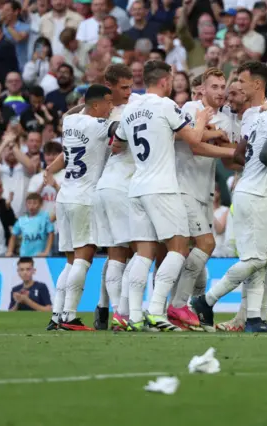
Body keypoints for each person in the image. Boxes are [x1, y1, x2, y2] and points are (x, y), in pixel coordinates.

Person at [191, 64, 267, 333]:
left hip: (259, 190)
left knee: (262, 258)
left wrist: (255, 165)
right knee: (262, 258)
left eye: (240, 81)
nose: (234, 88)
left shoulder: (257, 117)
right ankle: (210, 301)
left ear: (258, 86)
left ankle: (252, 318)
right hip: (261, 192)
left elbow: (240, 156)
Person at [113, 60, 211, 332]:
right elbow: (193, 140)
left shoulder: (131, 109)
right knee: (179, 248)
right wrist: (201, 120)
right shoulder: (167, 105)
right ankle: (156, 310)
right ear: (166, 81)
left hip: (137, 188)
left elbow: (117, 145)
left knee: (143, 255)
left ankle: (132, 316)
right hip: (162, 187)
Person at [167, 67, 236, 330]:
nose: (220, 92)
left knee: (193, 255)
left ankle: (186, 307)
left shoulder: (226, 120)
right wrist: (220, 143)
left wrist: (230, 147)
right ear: (203, 90)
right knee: (204, 244)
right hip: (183, 188)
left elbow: (230, 159)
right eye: (214, 87)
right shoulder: (190, 109)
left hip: (205, 193)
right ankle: (179, 306)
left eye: (222, 87)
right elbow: (194, 145)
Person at [50, 84, 117, 331]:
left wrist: (87, 103)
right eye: (108, 103)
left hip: (65, 196)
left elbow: (75, 112)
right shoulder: (97, 125)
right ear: (96, 105)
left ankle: (57, 315)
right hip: (84, 198)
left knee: (69, 262)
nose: (111, 107)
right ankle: (69, 316)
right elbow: (119, 129)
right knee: (83, 259)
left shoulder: (70, 122)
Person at [91, 63, 136, 331]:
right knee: (126, 253)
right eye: (124, 88)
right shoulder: (104, 116)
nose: (130, 92)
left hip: (109, 187)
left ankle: (103, 307)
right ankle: (122, 313)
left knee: (115, 254)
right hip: (117, 186)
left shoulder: (129, 105)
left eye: (131, 86)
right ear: (109, 88)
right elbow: (114, 140)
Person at [7, 192, 54, 257]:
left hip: (41, 256)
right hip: (24, 256)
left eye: (35, 203)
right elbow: (13, 236)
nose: (31, 206)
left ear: (40, 204)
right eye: (29, 203)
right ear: (26, 204)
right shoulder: (21, 220)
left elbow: (51, 234)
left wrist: (47, 251)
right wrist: (9, 251)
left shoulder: (45, 217)